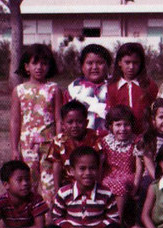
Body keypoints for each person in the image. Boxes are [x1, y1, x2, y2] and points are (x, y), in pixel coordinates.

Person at [38, 147, 126, 228]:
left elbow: (113, 218)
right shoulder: (64, 192)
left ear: (98, 169)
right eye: (82, 169)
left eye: (92, 168)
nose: (88, 173)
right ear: (71, 171)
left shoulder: (105, 193)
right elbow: (57, 217)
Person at [9, 43, 61, 196]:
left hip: (49, 144)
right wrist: (14, 149)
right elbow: (15, 121)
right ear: (27, 66)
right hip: (28, 144)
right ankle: (30, 211)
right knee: (28, 182)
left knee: (49, 184)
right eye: (35, 63)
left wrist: (59, 143)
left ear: (49, 66)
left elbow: (58, 119)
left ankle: (49, 211)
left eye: (44, 63)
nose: (39, 67)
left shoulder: (54, 89)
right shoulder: (19, 90)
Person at [45, 100, 104, 200]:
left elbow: (100, 163)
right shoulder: (59, 141)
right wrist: (57, 190)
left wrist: (98, 186)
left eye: (79, 122)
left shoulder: (94, 138)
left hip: (90, 181)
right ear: (63, 124)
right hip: (68, 184)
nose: (75, 126)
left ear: (86, 123)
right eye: (70, 122)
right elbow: (56, 167)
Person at [105, 42, 158, 132]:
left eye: (135, 63)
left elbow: (155, 111)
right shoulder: (112, 87)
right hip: (122, 133)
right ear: (119, 63)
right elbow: (111, 113)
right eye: (127, 62)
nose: (131, 67)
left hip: (144, 134)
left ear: (141, 64)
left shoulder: (149, 85)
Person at [99, 105, 139, 221]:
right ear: (110, 126)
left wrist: (136, 188)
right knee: (105, 184)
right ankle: (102, 218)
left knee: (120, 184)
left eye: (126, 125)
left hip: (128, 176)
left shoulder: (135, 142)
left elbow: (138, 167)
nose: (122, 129)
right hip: (109, 175)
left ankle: (118, 220)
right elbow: (101, 165)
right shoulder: (105, 142)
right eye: (118, 125)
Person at [65, 43, 112, 131]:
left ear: (107, 65)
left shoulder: (114, 86)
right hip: (82, 136)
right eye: (90, 63)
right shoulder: (73, 88)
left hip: (109, 136)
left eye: (100, 63)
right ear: (82, 66)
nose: (95, 67)